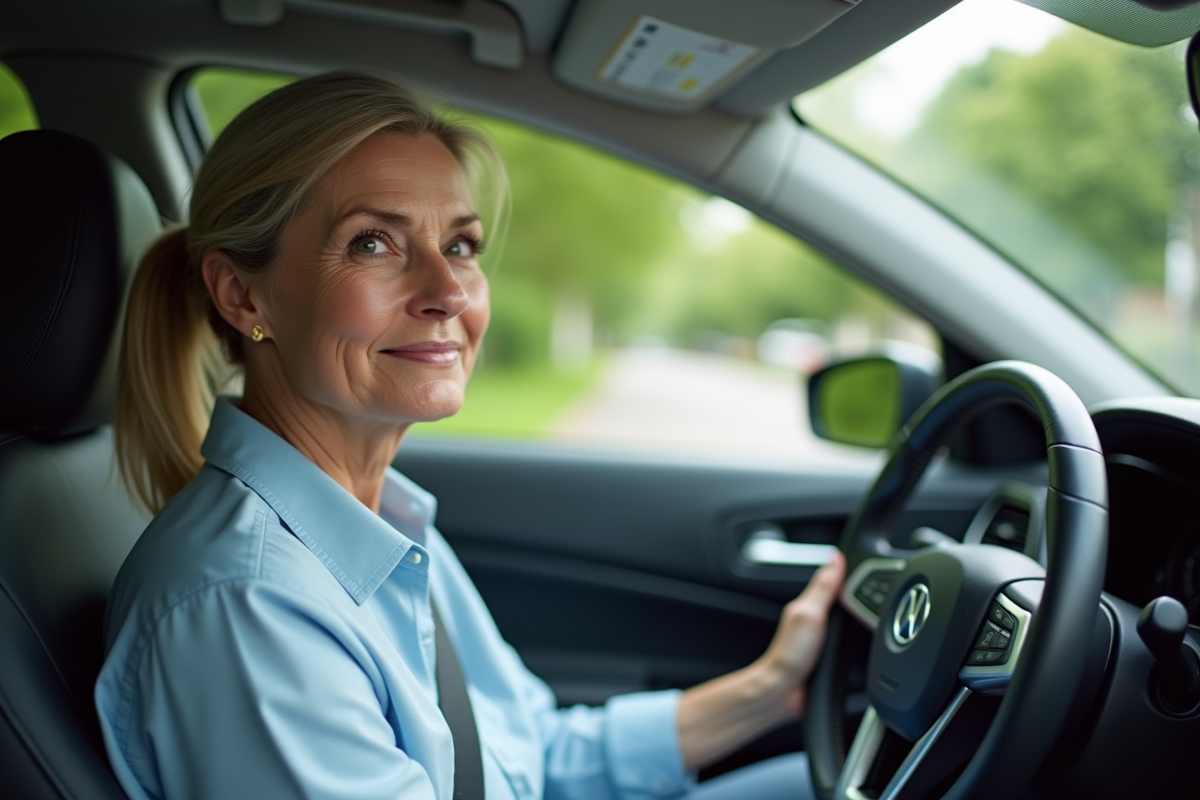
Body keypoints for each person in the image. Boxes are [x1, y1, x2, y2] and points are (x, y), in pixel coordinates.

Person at [96, 71, 846, 800]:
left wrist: (765, 692)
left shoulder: (379, 521)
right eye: (372, 244)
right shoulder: (246, 609)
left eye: (459, 246)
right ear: (241, 292)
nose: (448, 290)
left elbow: (527, 755)